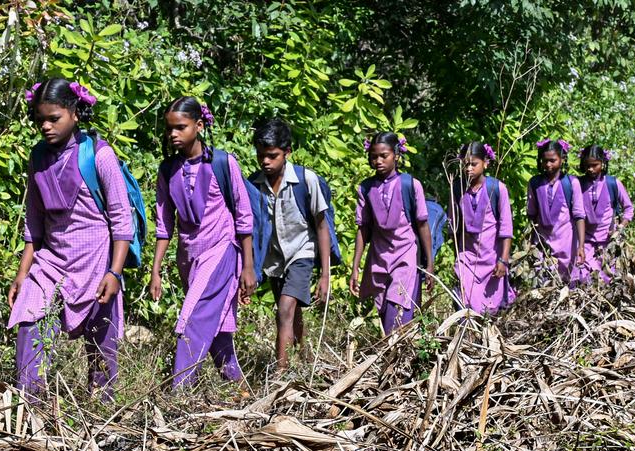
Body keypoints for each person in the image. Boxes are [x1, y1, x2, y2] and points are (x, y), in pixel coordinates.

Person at [7, 78, 132, 401]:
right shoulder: (38, 157)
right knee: (29, 319)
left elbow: (121, 221)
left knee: (101, 340)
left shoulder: (99, 155)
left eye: (54, 118)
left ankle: (102, 406)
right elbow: (34, 221)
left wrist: (114, 272)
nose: (46, 127)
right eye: (40, 120)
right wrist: (23, 273)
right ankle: (29, 404)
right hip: (51, 260)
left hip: (96, 261)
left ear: (75, 113)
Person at [150, 96, 257, 389]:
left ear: (198, 126)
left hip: (221, 251)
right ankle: (237, 385)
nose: (173, 134)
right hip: (189, 257)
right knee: (214, 322)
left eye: (181, 127)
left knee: (194, 318)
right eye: (169, 128)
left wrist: (248, 267)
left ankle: (180, 391)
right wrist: (156, 270)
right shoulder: (167, 169)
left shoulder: (223, 163)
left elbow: (244, 217)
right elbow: (164, 224)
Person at [250, 118, 332, 369]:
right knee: (291, 312)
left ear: (287, 152)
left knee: (284, 309)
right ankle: (302, 359)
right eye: (261, 156)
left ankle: (280, 374)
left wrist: (325, 274)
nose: (265, 161)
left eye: (272, 156)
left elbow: (322, 226)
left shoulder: (307, 180)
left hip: (302, 252)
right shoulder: (254, 184)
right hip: (274, 258)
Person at [349, 132, 435, 333]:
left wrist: (429, 264)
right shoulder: (366, 188)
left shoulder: (410, 185)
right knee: (384, 310)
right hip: (379, 259)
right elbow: (363, 228)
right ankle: (392, 351)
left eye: (384, 156)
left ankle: (396, 351)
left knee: (397, 313)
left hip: (405, 257)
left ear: (396, 155)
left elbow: (422, 225)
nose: (378, 161)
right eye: (374, 157)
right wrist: (355, 267)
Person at [452, 142, 514, 314]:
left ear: (485, 163)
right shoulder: (456, 189)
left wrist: (503, 260)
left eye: (474, 164)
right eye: (465, 164)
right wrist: (457, 256)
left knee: (488, 310)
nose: (468, 169)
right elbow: (454, 227)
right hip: (467, 259)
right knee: (464, 303)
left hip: (491, 260)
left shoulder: (497, 188)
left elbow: (506, 228)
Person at [527, 139, 587, 284]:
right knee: (544, 284)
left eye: (552, 160)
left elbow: (579, 215)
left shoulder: (571, 183)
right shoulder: (534, 183)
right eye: (545, 161)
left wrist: (581, 246)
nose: (548, 165)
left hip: (567, 245)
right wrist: (531, 244)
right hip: (543, 245)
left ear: (562, 159)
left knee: (569, 285)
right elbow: (532, 215)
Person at [578, 145, 634, 283]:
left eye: (594, 165)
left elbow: (628, 208)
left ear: (603, 163)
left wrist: (620, 228)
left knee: (608, 278)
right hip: (585, 242)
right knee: (583, 276)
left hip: (608, 242)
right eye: (587, 165)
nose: (590, 169)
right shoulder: (577, 184)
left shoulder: (613, 183)